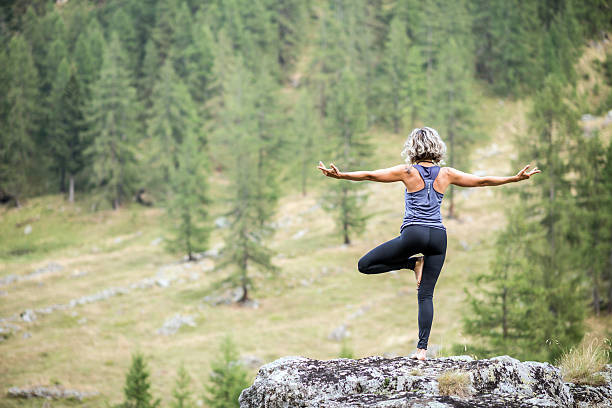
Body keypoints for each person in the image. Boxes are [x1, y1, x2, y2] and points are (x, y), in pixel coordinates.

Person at [317, 126, 541, 361]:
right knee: (426, 295)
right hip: (438, 237)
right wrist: (514, 178)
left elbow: (372, 175)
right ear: (437, 148)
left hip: (414, 233)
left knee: (364, 264)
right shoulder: (447, 174)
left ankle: (411, 265)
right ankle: (422, 350)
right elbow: (482, 181)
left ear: (412, 148)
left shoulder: (407, 172)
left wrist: (341, 175)